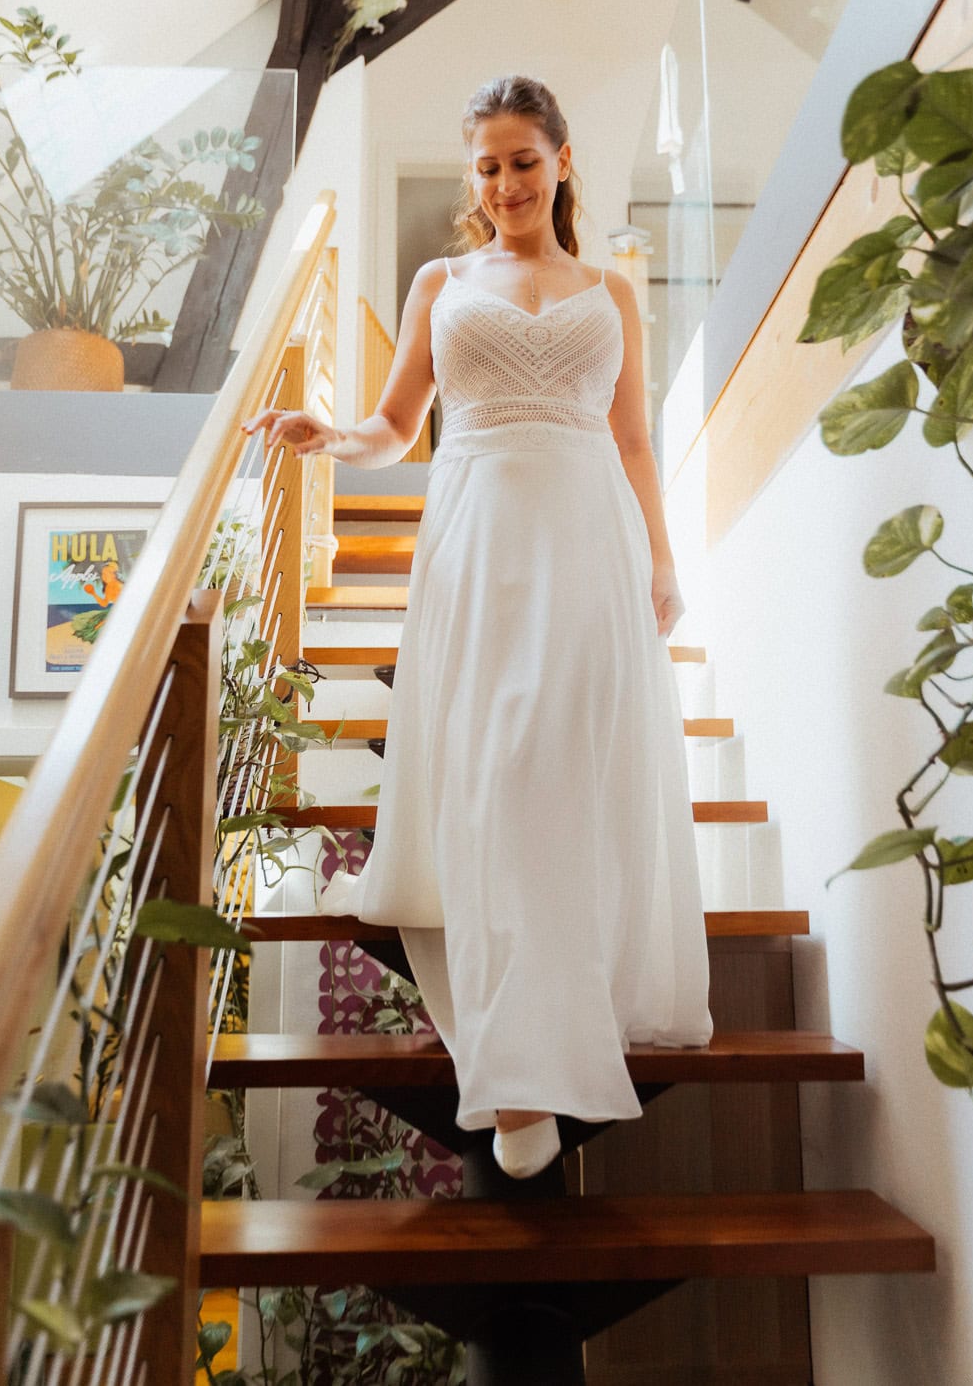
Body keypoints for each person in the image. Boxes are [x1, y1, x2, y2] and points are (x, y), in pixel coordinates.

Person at [244, 74, 713, 1181]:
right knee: (497, 774)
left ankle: (551, 1022)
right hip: (478, 545)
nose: (504, 182)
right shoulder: (440, 281)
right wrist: (328, 435)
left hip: (590, 543)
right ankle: (509, 1072)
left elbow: (634, 440)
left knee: (560, 777)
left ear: (558, 160)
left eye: (522, 160)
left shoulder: (611, 289)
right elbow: (397, 428)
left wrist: (661, 555)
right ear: (475, 177)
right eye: (487, 165)